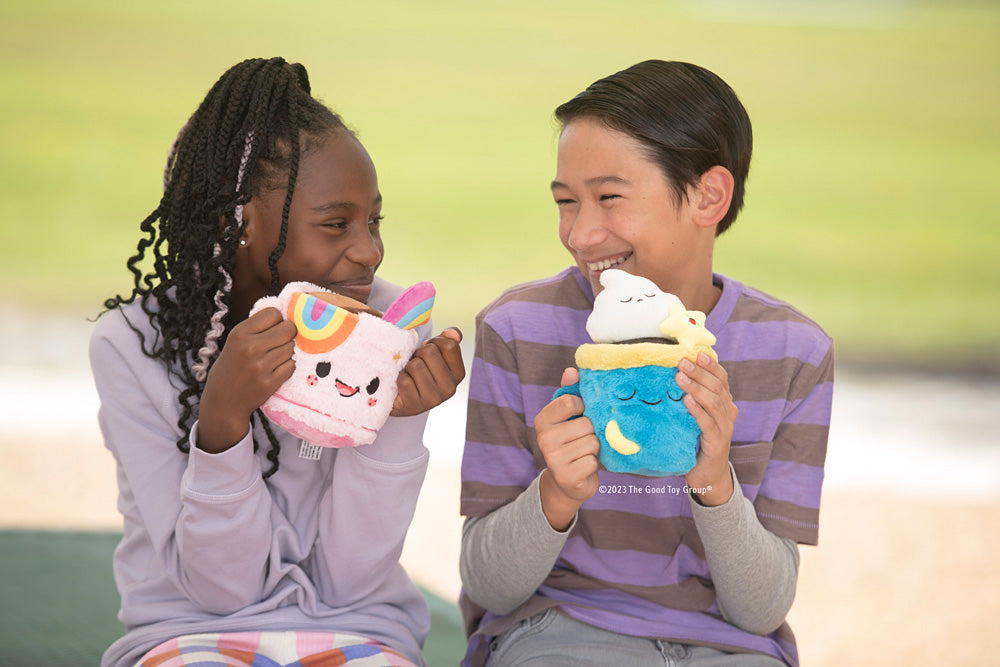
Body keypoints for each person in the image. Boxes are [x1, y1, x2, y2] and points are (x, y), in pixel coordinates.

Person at [90, 57, 465, 667]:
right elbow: (222, 590)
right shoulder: (130, 345)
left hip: (359, 630)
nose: (369, 251)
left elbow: (351, 578)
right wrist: (221, 424)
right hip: (189, 634)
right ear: (233, 223)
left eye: (373, 221)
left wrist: (394, 420)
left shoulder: (392, 323)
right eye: (335, 224)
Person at [458, 60, 833, 667]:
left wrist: (714, 478)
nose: (581, 235)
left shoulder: (794, 352)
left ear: (708, 195)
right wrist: (555, 492)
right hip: (558, 631)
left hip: (727, 645)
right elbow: (488, 587)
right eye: (566, 201)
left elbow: (761, 611)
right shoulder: (517, 330)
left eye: (609, 198)